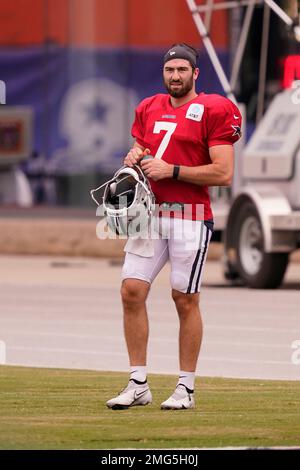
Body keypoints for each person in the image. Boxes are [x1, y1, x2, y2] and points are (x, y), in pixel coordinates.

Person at [106, 43, 242, 410]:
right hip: (151, 214)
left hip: (191, 214)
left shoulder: (214, 108)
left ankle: (186, 388)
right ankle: (138, 383)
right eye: (170, 70)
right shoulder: (149, 107)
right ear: (163, 73)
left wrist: (173, 170)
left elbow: (224, 173)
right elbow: (142, 150)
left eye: (183, 70)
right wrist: (134, 156)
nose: (176, 76)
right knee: (131, 290)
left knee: (184, 298)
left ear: (196, 73)